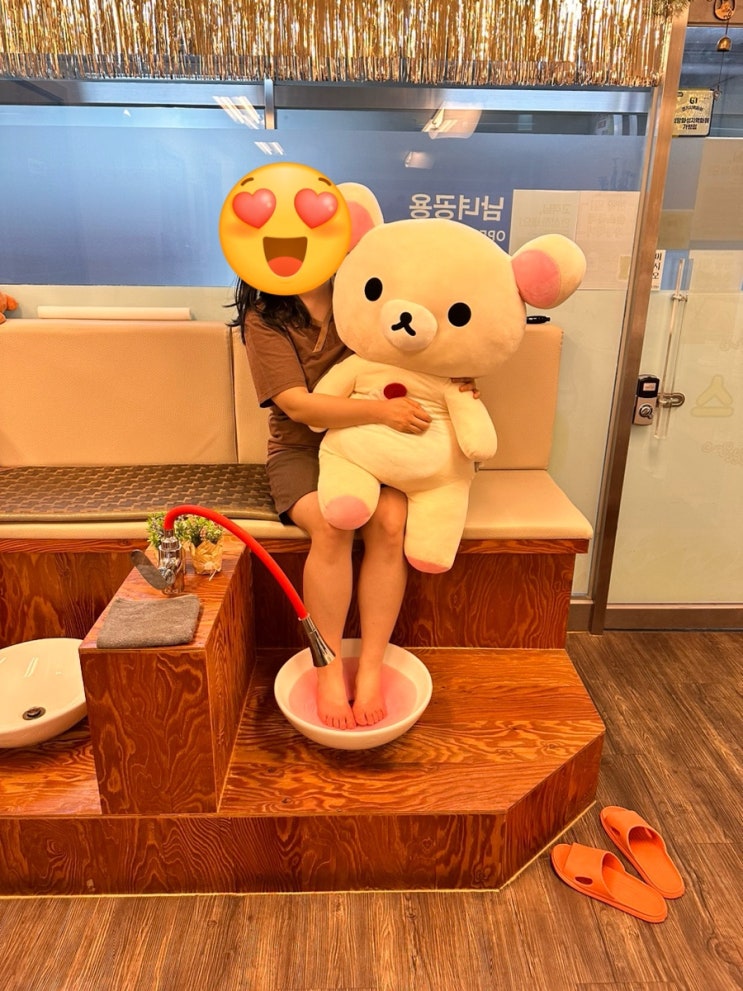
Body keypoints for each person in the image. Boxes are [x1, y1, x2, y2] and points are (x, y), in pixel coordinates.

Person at [232, 276, 474, 730]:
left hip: (370, 449)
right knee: (333, 524)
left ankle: (370, 668)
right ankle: (326, 668)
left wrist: (457, 380)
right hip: (300, 452)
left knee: (391, 519)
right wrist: (383, 411)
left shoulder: (365, 296)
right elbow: (299, 407)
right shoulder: (264, 318)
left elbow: (421, 343)